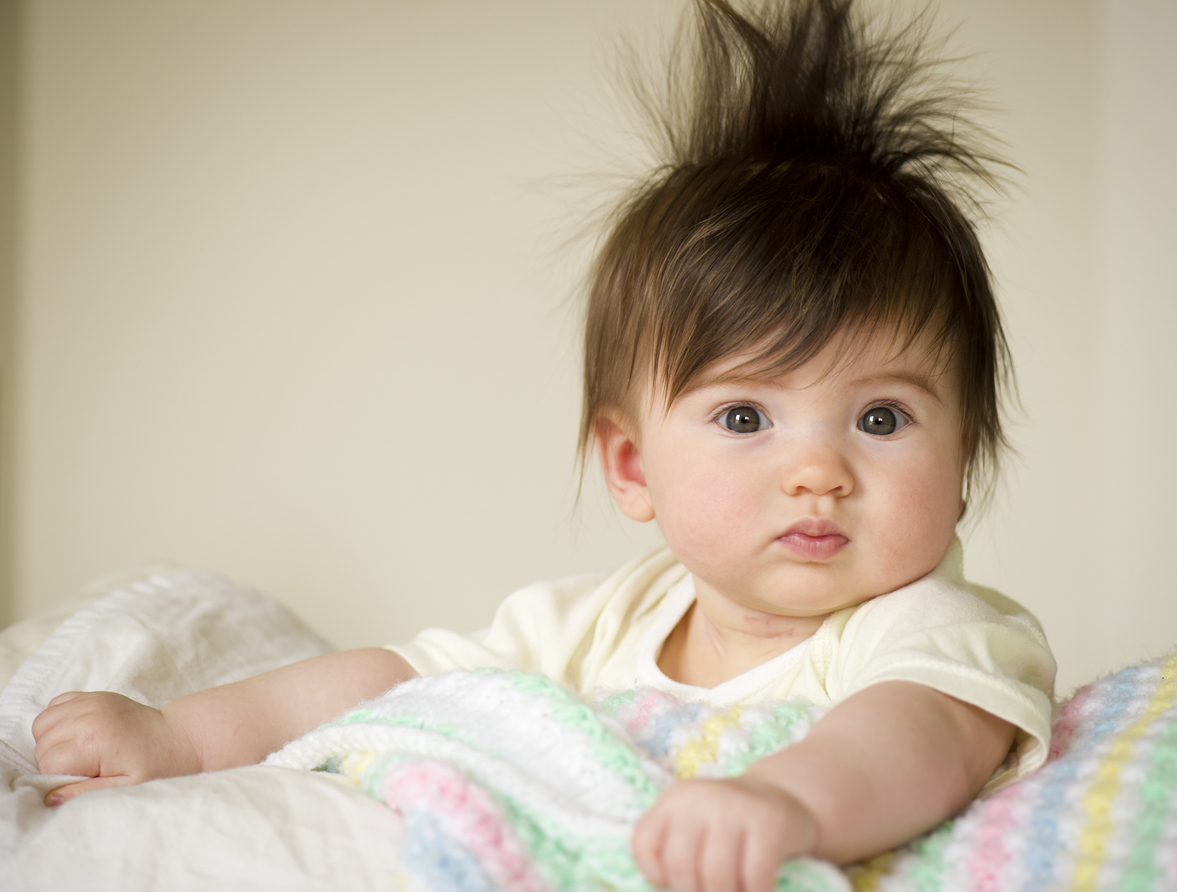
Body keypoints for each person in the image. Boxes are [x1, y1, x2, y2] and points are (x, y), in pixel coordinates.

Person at [31, 1, 1055, 890]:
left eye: (882, 418)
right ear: (629, 467)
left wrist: (785, 801)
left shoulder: (937, 629)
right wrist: (179, 737)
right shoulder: (599, 624)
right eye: (745, 417)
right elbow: (393, 678)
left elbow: (915, 738)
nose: (818, 470)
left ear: (961, 464)